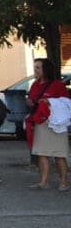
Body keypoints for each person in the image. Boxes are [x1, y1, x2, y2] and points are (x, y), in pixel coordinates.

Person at [26, 57, 69, 190]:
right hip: (41, 122)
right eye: (35, 67)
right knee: (42, 153)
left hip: (56, 123)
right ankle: (43, 181)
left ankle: (63, 182)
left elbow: (67, 103)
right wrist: (30, 103)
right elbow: (32, 99)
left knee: (59, 154)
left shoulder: (57, 85)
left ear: (46, 69)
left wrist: (49, 101)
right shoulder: (35, 84)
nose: (35, 70)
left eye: (38, 67)